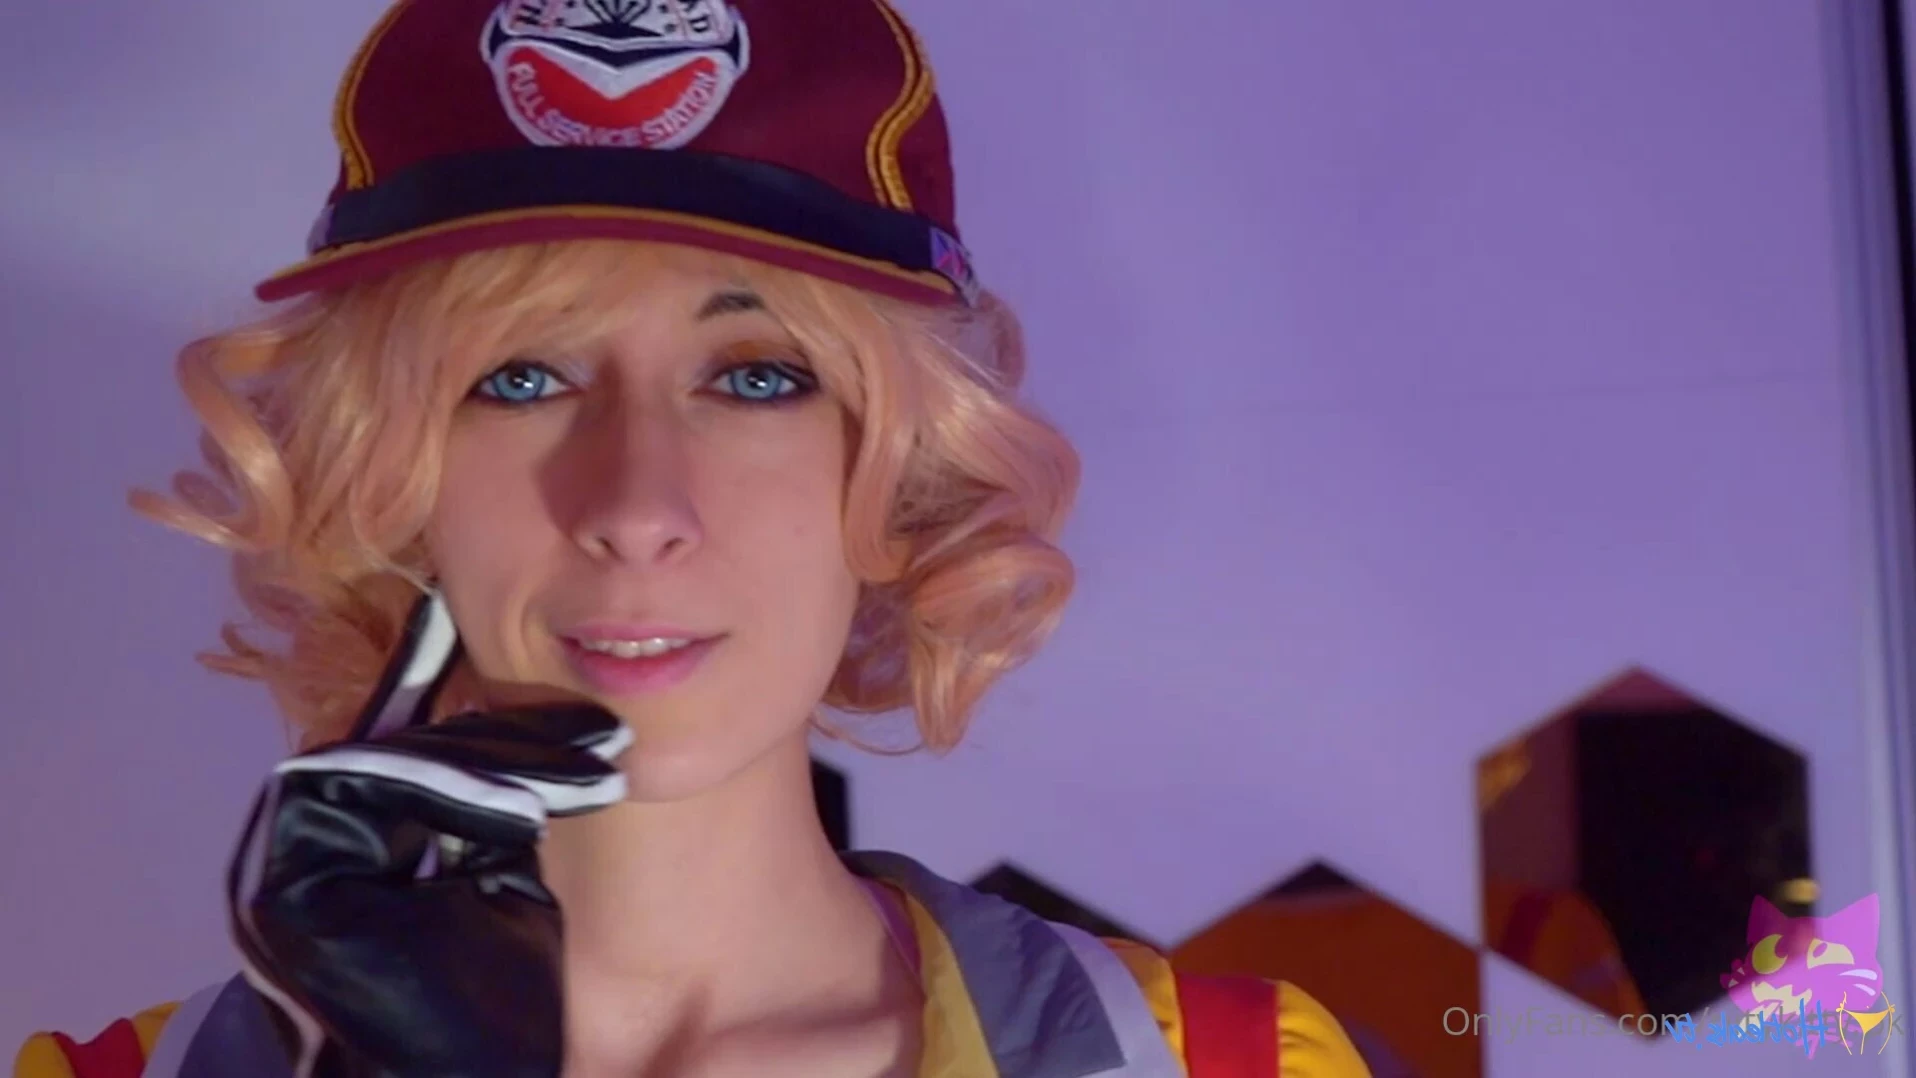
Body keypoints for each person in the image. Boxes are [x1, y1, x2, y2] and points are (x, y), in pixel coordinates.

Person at [13, 1, 1371, 1075]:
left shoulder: (1224, 1064)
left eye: (759, 376)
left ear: (898, 473)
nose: (636, 509)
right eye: (521, 376)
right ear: (393, 479)